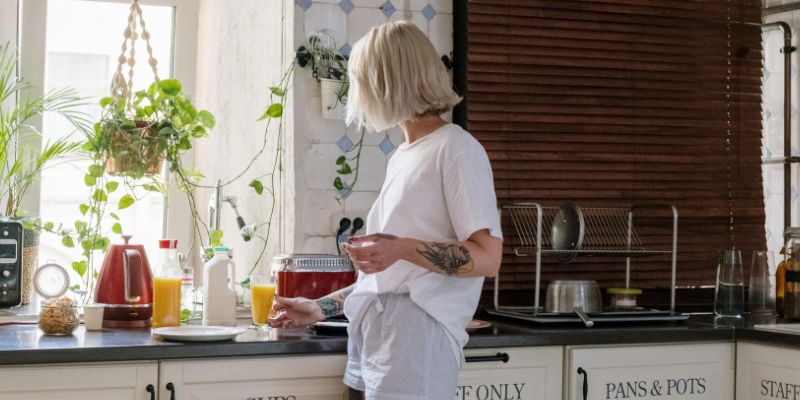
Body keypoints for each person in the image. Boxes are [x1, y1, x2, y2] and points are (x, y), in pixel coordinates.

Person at [269, 21, 503, 400]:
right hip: (378, 332)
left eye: (361, 81)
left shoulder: (456, 149)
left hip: (418, 337)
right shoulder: (403, 156)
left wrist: (400, 247)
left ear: (385, 83)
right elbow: (390, 279)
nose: (358, 95)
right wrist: (320, 307)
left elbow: (487, 258)